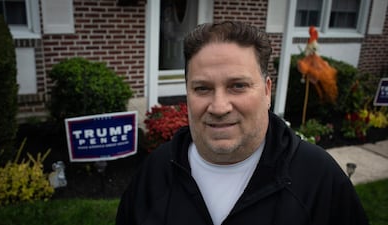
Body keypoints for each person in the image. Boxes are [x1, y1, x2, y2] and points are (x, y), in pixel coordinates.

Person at [116, 21, 368, 225]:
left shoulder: (318, 179)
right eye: (202, 88)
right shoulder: (155, 171)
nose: (219, 107)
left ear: (267, 92)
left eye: (238, 86)